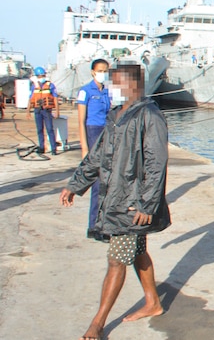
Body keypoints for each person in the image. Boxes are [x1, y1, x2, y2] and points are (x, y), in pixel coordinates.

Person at [59, 63, 170, 340]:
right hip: (117, 199)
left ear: (132, 85)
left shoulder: (149, 115)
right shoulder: (115, 115)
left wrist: (147, 204)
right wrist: (75, 184)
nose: (110, 88)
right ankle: (153, 302)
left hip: (133, 205)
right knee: (137, 251)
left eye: (116, 83)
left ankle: (97, 323)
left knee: (116, 260)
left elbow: (157, 163)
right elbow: (97, 156)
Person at [77, 58, 112, 240]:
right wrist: (84, 147)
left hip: (108, 133)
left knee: (108, 182)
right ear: (92, 72)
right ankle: (96, 226)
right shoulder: (85, 91)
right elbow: (81, 121)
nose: (103, 73)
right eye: (100, 70)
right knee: (98, 182)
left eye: (106, 70)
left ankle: (100, 224)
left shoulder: (109, 91)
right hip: (93, 133)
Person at [26, 66, 60, 155]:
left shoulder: (50, 85)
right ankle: (41, 147)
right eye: (39, 76)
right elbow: (30, 99)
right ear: (37, 77)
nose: (41, 78)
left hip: (47, 110)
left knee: (49, 129)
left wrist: (57, 111)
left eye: (43, 76)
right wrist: (28, 111)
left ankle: (53, 149)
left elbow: (55, 98)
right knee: (39, 129)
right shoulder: (34, 86)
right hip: (37, 110)